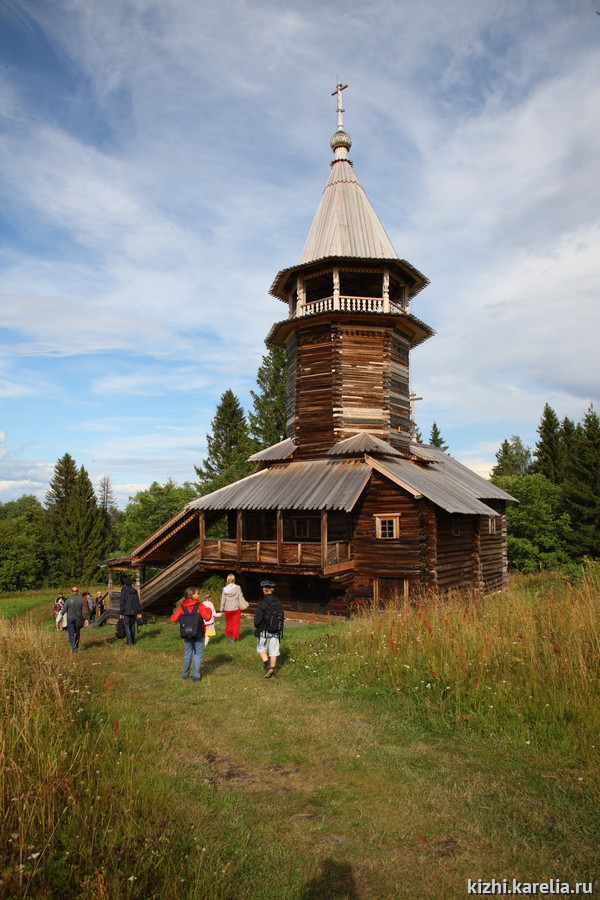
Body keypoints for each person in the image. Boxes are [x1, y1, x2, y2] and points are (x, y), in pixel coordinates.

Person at [170, 587, 212, 681]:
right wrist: (208, 609)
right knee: (198, 654)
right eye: (197, 593)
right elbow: (208, 617)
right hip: (198, 633)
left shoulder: (182, 607)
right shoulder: (200, 606)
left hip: (186, 633)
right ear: (192, 595)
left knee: (187, 653)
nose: (198, 595)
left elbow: (173, 619)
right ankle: (196, 676)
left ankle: (185, 675)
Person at [254, 579, 284, 679]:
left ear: (265, 590)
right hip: (275, 631)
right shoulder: (278, 602)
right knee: (274, 651)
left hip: (264, 631)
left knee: (261, 648)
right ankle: (273, 670)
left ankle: (267, 666)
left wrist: (257, 626)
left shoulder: (262, 603)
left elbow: (257, 620)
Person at [62, 586, 90, 653]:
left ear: (71, 592)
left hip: (70, 618)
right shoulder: (81, 600)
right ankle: (76, 645)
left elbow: (63, 610)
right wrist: (86, 619)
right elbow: (84, 611)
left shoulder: (68, 600)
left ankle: (74, 648)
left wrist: (62, 615)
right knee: (77, 633)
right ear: (77, 592)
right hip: (78, 618)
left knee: (71, 633)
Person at [219, 573, 246, 643]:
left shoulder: (224, 589)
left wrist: (221, 610)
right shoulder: (238, 587)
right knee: (236, 624)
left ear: (227, 580)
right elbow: (241, 595)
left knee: (229, 623)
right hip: (236, 608)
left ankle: (229, 638)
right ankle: (233, 638)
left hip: (227, 609)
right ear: (234, 580)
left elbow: (223, 600)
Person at [119, 577, 142, 645]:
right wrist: (139, 612)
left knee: (127, 627)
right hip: (134, 611)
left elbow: (122, 602)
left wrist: (121, 613)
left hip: (126, 611)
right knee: (132, 626)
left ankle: (129, 642)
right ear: (131, 583)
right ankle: (132, 640)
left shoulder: (124, 591)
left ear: (125, 583)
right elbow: (137, 602)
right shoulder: (134, 591)